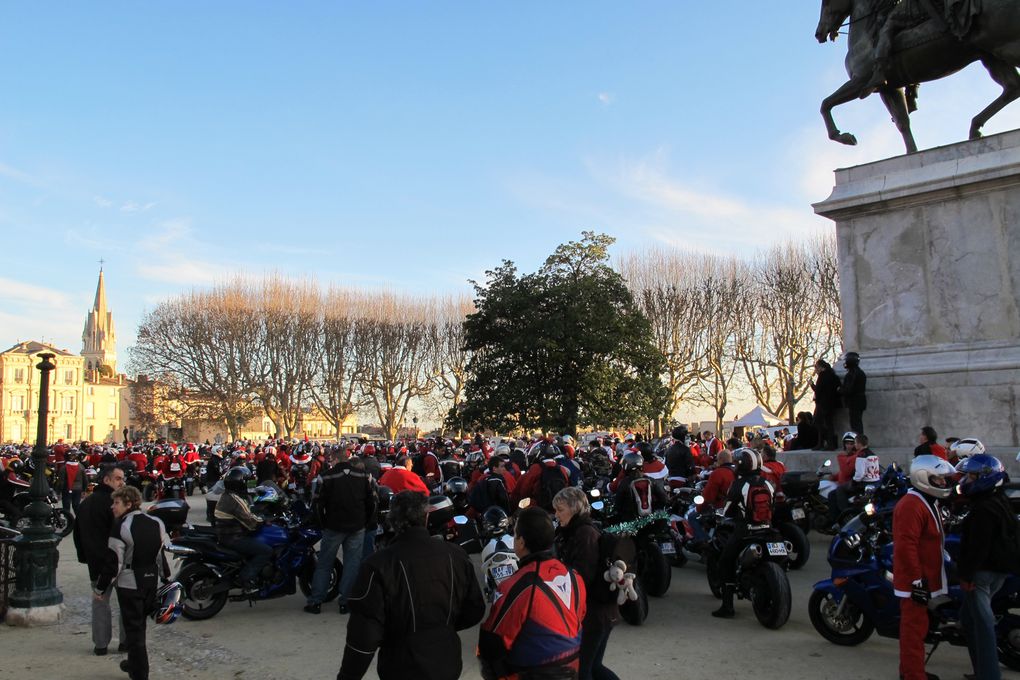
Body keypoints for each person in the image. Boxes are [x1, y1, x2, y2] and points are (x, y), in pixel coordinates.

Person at [337, 491, 484, 680]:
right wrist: (442, 628)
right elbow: (474, 609)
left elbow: (364, 633)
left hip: (403, 663)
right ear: (427, 517)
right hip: (444, 660)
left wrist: (348, 675)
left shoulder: (378, 564)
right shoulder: (456, 554)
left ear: (392, 520)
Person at [479, 506, 586, 680]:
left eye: (515, 535)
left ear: (521, 542)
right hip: (573, 665)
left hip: (535, 672)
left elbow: (492, 643)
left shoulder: (516, 586)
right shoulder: (574, 576)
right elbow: (579, 617)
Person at [94, 485, 171, 680]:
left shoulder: (121, 526)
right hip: (150, 581)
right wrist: (166, 578)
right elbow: (160, 556)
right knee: (139, 628)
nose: (113, 507)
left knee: (134, 630)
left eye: (117, 503)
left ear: (129, 503)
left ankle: (139, 672)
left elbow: (114, 563)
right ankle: (134, 664)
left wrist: (101, 588)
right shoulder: (156, 523)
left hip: (130, 584)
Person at [893, 454, 956, 680]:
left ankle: (911, 670)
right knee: (913, 630)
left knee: (919, 628)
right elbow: (905, 545)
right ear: (924, 478)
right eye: (938, 479)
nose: (943, 483)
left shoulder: (928, 501)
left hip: (924, 578)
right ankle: (913, 675)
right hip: (915, 582)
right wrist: (916, 580)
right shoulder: (911, 505)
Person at [957, 452, 1018, 680]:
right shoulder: (1000, 501)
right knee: (969, 620)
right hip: (998, 571)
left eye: (972, 476)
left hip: (981, 575)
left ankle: (989, 675)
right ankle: (982, 671)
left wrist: (966, 575)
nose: (967, 480)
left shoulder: (983, 509)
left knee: (983, 628)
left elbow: (976, 548)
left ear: (984, 477)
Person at [553, 487, 619, 680]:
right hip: (598, 612)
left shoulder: (584, 534)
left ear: (574, 509)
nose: (556, 515)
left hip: (594, 614)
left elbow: (582, 576)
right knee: (594, 666)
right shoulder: (571, 531)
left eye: (560, 510)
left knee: (583, 670)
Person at [305, 450, 375, 615]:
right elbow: (372, 501)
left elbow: (316, 503)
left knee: (324, 564)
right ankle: (346, 602)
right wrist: (365, 522)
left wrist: (322, 523)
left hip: (333, 525)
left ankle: (316, 601)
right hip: (356, 525)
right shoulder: (364, 476)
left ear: (335, 459)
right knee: (352, 564)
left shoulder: (326, 477)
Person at [712, 447, 775, 619]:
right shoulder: (767, 483)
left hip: (745, 531)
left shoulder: (739, 485)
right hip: (767, 529)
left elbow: (727, 510)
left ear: (741, 465)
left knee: (725, 562)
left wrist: (722, 515)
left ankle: (727, 606)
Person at [73, 464, 127, 655]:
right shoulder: (116, 504)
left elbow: (77, 533)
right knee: (126, 602)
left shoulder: (86, 503)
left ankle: (101, 644)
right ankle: (125, 642)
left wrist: (83, 556)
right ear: (107, 480)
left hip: (95, 562)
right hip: (117, 561)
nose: (122, 482)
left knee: (100, 602)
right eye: (118, 478)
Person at [214, 466, 272, 591]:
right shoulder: (235, 500)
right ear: (240, 483)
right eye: (246, 482)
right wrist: (264, 520)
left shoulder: (227, 496)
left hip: (227, 535)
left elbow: (247, 512)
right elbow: (251, 522)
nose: (249, 484)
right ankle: (247, 578)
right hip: (233, 538)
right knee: (266, 551)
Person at [611, 452, 668, 522]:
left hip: (630, 521)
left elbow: (618, 505)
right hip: (651, 519)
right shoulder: (651, 480)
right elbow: (663, 499)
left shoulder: (624, 483)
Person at [812, 359, 842, 450]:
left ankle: (824, 443)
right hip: (831, 403)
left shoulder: (822, 376)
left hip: (823, 404)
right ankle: (829, 443)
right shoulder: (833, 375)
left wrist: (812, 385)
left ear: (820, 367)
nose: (815, 370)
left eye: (816, 367)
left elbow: (818, 390)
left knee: (820, 423)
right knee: (828, 424)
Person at [839, 351, 867, 435]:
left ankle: (859, 443)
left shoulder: (853, 373)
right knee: (856, 423)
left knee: (855, 423)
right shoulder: (858, 372)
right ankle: (858, 442)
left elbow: (849, 389)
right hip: (858, 401)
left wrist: (840, 390)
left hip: (855, 401)